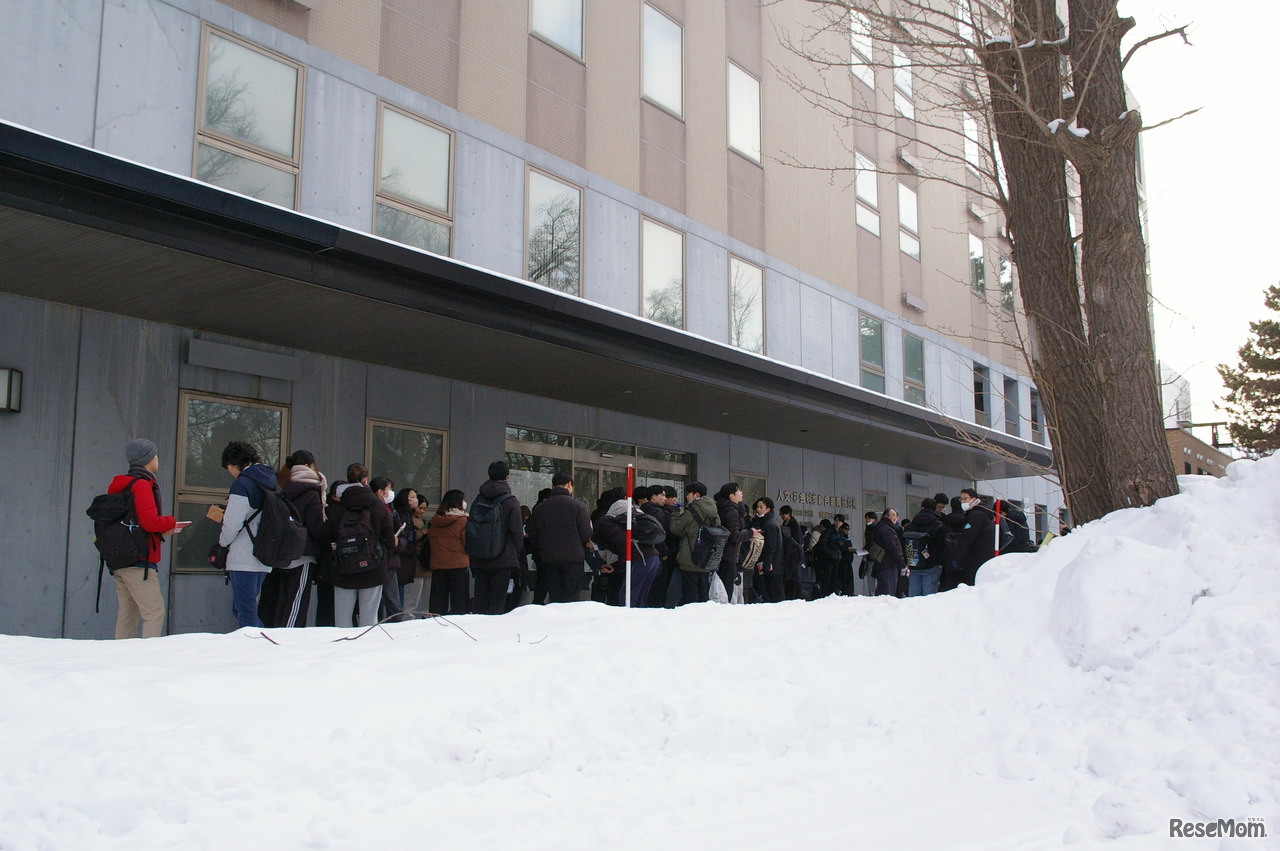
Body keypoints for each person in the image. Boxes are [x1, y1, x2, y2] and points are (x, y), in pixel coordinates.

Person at [106, 439, 180, 638]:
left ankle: (123, 659)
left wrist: (161, 531)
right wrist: (170, 522)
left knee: (128, 614)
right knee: (154, 612)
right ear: (147, 459)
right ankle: (148, 661)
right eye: (155, 455)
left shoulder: (120, 484)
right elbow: (149, 522)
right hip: (139, 560)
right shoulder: (141, 485)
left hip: (119, 559)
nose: (157, 459)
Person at [217, 441, 279, 629]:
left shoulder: (243, 484)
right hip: (264, 556)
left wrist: (222, 543)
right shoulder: (271, 481)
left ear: (235, 463)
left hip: (243, 556)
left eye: (229, 467)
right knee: (245, 610)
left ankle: (256, 651)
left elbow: (233, 522)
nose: (230, 472)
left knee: (245, 613)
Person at [326, 464, 395, 627]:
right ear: (365, 480)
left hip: (344, 566)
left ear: (346, 479)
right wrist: (385, 560)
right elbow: (388, 537)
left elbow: (328, 533)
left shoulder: (338, 506)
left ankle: (344, 649)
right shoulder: (377, 505)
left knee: (342, 619)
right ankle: (366, 650)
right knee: (369, 618)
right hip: (373, 566)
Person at [275, 449, 327, 627]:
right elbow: (315, 527)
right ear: (308, 467)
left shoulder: (281, 487)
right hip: (303, 552)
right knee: (297, 601)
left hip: (282, 551)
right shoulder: (311, 492)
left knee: (283, 600)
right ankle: (289, 637)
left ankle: (279, 633)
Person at [529, 472, 595, 604]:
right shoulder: (577, 506)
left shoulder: (540, 508)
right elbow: (586, 534)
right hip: (573, 558)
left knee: (555, 597)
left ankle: (556, 622)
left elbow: (533, 534)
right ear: (569, 485)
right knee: (571, 598)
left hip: (549, 558)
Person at [468, 461, 524, 615]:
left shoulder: (478, 499)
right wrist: (516, 553)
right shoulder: (510, 501)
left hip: (480, 557)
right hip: (503, 558)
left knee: (481, 598)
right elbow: (516, 531)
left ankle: (477, 631)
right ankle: (492, 634)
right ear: (507, 477)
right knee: (498, 601)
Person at [592, 494, 661, 607]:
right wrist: (615, 566)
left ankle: (627, 622)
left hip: (640, 559)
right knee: (640, 596)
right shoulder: (628, 523)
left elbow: (625, 544)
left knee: (628, 596)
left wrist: (620, 565)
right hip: (652, 558)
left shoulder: (606, 525)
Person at [669, 482, 721, 605]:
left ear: (696, 495)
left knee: (690, 594)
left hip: (690, 558)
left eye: (688, 494)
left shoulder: (691, 512)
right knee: (704, 593)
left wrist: (675, 513)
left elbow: (675, 529)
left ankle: (691, 620)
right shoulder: (714, 513)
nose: (686, 496)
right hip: (706, 558)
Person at [427, 489, 470, 616]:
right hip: (458, 565)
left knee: (438, 602)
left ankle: (436, 625)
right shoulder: (462, 521)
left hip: (438, 564)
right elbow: (467, 543)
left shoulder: (435, 521)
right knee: (460, 603)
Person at [713, 483, 750, 605]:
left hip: (726, 554)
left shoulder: (729, 509)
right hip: (728, 554)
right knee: (726, 587)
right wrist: (750, 533)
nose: (741, 492)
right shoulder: (730, 512)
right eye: (738, 491)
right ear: (731, 496)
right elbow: (734, 536)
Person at [392, 487, 426, 616]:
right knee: (398, 591)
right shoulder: (402, 514)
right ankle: (397, 618)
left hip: (406, 557)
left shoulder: (406, 514)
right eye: (412, 497)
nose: (415, 500)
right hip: (403, 556)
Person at [952, 488, 996, 586]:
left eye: (965, 498)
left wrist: (957, 557)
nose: (962, 501)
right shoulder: (983, 513)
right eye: (961, 499)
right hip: (984, 556)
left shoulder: (976, 515)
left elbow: (967, 538)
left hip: (976, 557)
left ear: (974, 499)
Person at [904, 497, 947, 597]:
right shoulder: (937, 525)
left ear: (921, 507)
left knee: (913, 596)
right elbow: (941, 546)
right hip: (931, 564)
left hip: (914, 564)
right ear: (934, 509)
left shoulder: (910, 526)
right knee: (929, 597)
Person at [401, 490, 431, 616]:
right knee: (413, 595)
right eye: (420, 508)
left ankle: (425, 615)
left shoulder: (423, 521)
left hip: (425, 561)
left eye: (424, 509)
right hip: (415, 561)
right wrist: (421, 533)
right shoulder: (409, 520)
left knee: (426, 594)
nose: (422, 511)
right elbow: (409, 538)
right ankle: (408, 617)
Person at [751, 497, 785, 602]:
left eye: (761, 507)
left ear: (768, 509)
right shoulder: (768, 522)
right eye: (757, 507)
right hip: (772, 564)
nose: (758, 509)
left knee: (772, 594)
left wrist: (766, 565)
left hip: (771, 565)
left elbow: (771, 547)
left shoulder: (770, 524)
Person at [870, 508, 904, 596]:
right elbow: (892, 547)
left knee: (881, 592)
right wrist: (901, 561)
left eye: (896, 516)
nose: (895, 518)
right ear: (886, 516)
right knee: (888, 593)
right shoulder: (886, 529)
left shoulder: (882, 527)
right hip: (888, 564)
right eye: (893, 515)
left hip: (882, 564)